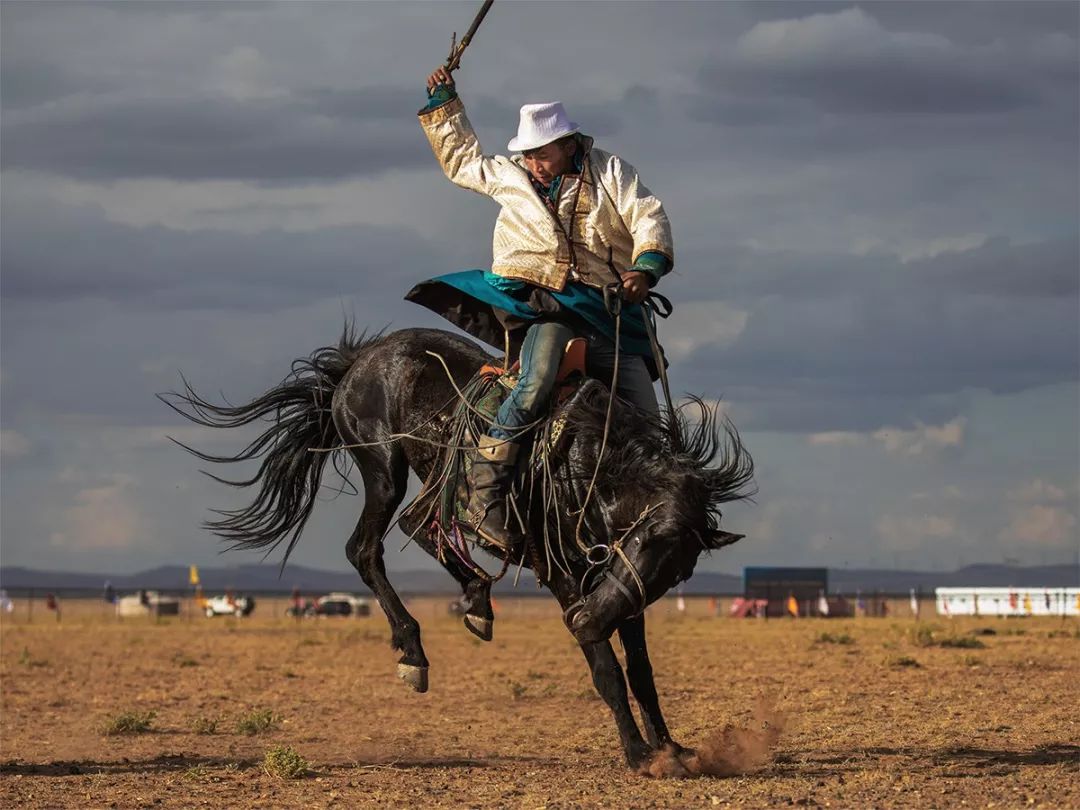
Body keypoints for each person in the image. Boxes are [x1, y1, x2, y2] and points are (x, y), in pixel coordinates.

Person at [406, 66, 675, 551]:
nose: (534, 163)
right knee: (535, 381)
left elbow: (647, 215)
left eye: (542, 153)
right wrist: (445, 104)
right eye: (528, 154)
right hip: (540, 302)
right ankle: (485, 491)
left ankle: (658, 512)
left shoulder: (612, 173)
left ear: (569, 145)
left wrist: (645, 268)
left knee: (647, 417)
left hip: (606, 306)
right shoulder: (511, 176)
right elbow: (463, 161)